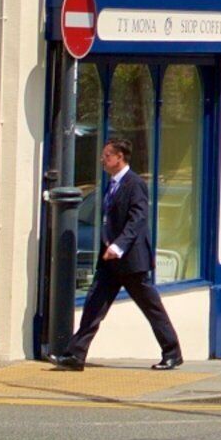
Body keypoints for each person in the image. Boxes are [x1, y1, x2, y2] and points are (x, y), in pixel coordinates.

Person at [54, 138, 182, 371]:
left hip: (131, 260)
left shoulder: (135, 184)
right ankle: (75, 355)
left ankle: (172, 353)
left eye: (107, 156)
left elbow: (137, 218)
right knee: (93, 306)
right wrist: (108, 247)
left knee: (151, 308)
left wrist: (118, 246)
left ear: (119, 157)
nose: (102, 160)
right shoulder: (111, 184)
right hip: (109, 262)